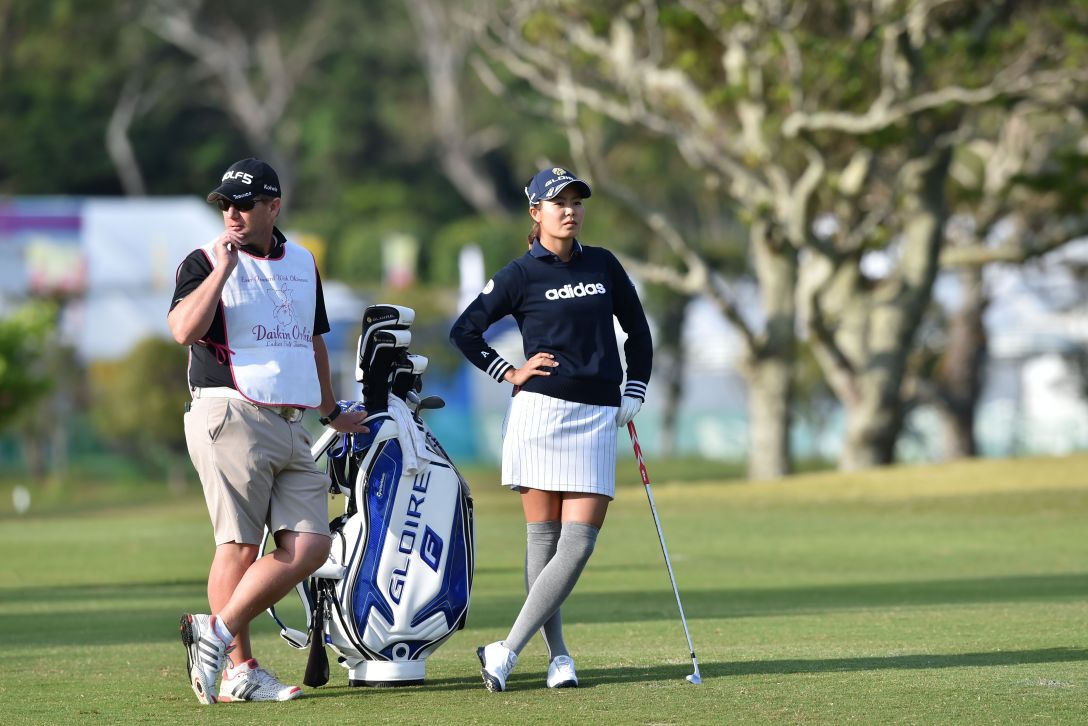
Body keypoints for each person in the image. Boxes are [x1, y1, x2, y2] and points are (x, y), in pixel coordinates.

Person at [168, 158, 368, 705]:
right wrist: (223, 273)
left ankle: (213, 630)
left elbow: (313, 341)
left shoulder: (303, 261)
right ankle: (240, 670)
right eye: (225, 204)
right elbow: (183, 329)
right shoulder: (203, 260)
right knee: (237, 545)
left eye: (244, 203)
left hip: (291, 421)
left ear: (273, 207)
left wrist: (330, 411)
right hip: (229, 412)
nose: (232, 213)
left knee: (309, 544)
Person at [450, 166, 652, 692]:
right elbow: (464, 330)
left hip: (596, 416)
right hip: (540, 414)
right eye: (557, 202)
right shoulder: (520, 274)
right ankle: (558, 657)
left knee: (578, 543)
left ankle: (507, 649)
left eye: (577, 202)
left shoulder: (604, 264)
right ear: (535, 213)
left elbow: (637, 329)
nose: (570, 210)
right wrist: (508, 372)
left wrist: (637, 386)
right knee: (543, 539)